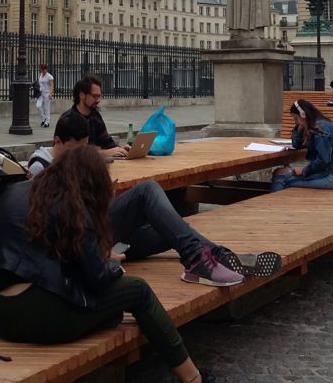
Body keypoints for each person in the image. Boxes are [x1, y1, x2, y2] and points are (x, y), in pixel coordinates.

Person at [0, 146, 221, 383]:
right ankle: (193, 378)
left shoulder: (16, 192)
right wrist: (109, 261)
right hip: (40, 317)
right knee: (139, 291)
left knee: (110, 310)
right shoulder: (74, 208)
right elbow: (97, 279)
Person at [28, 111, 282, 283]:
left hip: (100, 233)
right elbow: (52, 226)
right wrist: (100, 254)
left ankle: (217, 256)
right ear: (57, 141)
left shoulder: (75, 162)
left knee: (172, 226)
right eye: (75, 150)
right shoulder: (39, 168)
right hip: (84, 242)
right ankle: (203, 259)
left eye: (85, 149)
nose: (79, 157)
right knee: (148, 192)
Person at [271, 99, 333, 191]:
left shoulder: (321, 129)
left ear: (303, 115)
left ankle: (276, 204)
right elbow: (296, 145)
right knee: (279, 172)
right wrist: (299, 129)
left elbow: (323, 159)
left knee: (281, 178)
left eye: (296, 118)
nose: (296, 122)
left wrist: (304, 170)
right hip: (326, 173)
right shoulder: (313, 126)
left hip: (330, 176)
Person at [67, 75, 129, 159]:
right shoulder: (69, 120)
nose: (98, 100)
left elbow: (105, 141)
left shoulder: (95, 116)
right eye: (94, 96)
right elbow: (77, 154)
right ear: (82, 95)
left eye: (99, 96)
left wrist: (119, 150)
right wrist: (105, 153)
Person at [35, 62, 54, 129]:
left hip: (46, 93)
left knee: (46, 108)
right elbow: (39, 83)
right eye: (41, 69)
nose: (42, 71)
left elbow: (51, 86)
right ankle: (44, 118)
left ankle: (47, 122)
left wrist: (50, 94)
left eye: (43, 69)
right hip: (40, 93)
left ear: (46, 69)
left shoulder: (49, 76)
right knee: (38, 106)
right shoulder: (40, 75)